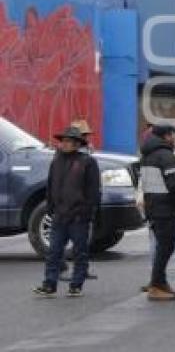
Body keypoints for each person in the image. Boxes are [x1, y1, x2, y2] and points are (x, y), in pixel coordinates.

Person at [33, 127, 101, 298]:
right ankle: (49, 284)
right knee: (54, 252)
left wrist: (87, 211)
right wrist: (50, 207)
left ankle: (76, 285)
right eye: (63, 140)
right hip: (59, 215)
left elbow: (93, 191)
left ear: (77, 144)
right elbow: (50, 185)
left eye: (69, 141)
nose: (64, 144)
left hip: (79, 216)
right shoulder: (56, 162)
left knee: (80, 251)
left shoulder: (88, 162)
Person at [140, 124, 175, 302]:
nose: (174, 138)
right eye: (172, 134)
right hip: (166, 209)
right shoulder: (166, 155)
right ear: (166, 136)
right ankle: (157, 284)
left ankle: (159, 282)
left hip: (153, 207)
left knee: (162, 247)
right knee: (165, 248)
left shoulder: (147, 155)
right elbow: (174, 185)